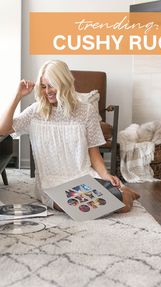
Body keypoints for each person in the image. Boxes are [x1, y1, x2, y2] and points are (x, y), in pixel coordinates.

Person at [0, 60, 139, 212]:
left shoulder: (86, 111)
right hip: (51, 182)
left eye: (52, 85)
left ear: (64, 83)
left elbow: (94, 152)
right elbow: (3, 130)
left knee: (123, 205)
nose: (47, 91)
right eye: (44, 86)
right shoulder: (36, 111)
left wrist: (105, 175)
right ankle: (124, 192)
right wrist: (17, 96)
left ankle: (126, 193)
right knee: (75, 206)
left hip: (82, 175)